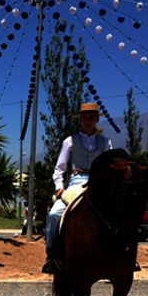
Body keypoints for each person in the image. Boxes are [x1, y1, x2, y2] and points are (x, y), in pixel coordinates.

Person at [42, 103, 112, 274]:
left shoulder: (105, 142)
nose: (87, 120)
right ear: (81, 119)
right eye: (84, 117)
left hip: (97, 182)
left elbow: (110, 166)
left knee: (119, 213)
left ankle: (124, 254)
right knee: (53, 215)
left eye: (91, 117)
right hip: (76, 183)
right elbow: (59, 168)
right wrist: (59, 187)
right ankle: (50, 255)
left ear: (96, 119)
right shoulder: (70, 141)